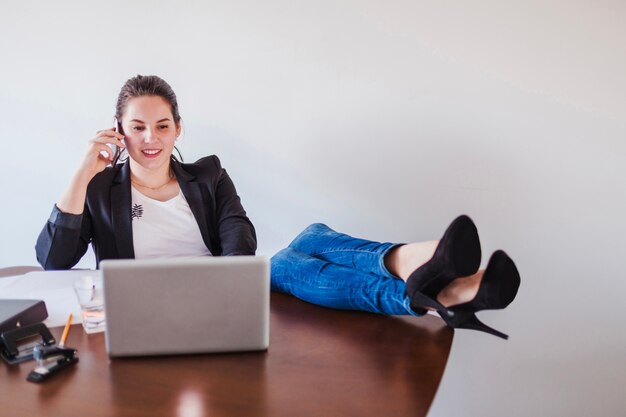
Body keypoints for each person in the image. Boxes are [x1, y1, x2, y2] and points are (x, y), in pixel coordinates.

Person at [36, 74, 520, 340]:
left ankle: (423, 269)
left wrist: (225, 283)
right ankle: (432, 281)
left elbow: (239, 233)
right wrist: (83, 170)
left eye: (162, 126)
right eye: (137, 127)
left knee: (306, 240)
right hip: (152, 309)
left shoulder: (207, 174)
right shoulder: (99, 191)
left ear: (178, 129)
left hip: (221, 290)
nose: (150, 139)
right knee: (290, 260)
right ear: (119, 131)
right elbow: (53, 259)